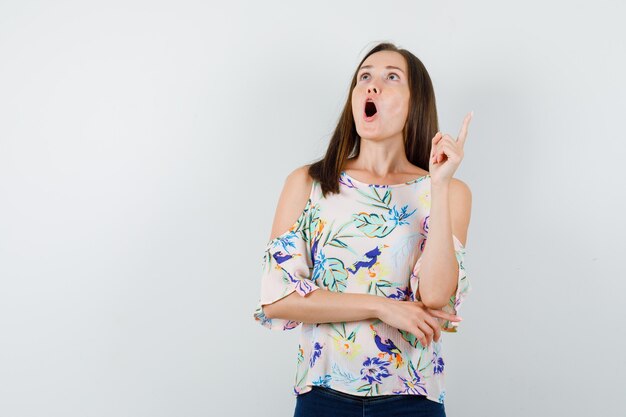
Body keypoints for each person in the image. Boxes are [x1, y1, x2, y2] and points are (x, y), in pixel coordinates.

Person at [252, 41, 473, 417]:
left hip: (414, 399)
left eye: (391, 78)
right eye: (364, 77)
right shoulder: (309, 182)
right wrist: (382, 307)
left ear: (414, 102)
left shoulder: (450, 191)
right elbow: (277, 297)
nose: (372, 86)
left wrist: (437, 185)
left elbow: (434, 296)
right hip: (323, 396)